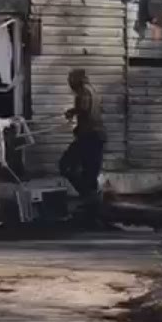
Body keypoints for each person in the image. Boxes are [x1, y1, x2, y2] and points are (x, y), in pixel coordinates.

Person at [60, 69, 105, 226]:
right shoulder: (92, 90)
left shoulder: (83, 92)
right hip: (94, 137)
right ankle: (92, 211)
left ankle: (90, 200)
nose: (69, 84)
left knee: (65, 166)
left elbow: (84, 108)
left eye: (70, 80)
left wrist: (72, 112)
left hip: (89, 137)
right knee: (89, 174)